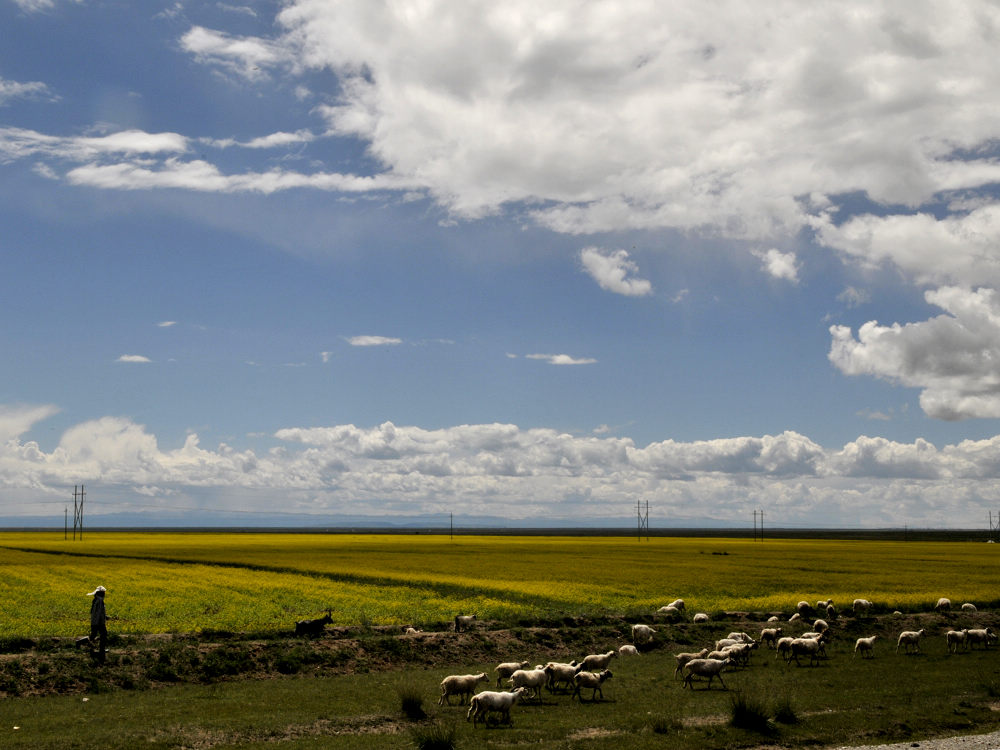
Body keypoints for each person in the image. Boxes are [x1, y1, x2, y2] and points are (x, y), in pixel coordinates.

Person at [87, 585, 107, 664]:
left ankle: (83, 644)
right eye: (104, 593)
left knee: (93, 635)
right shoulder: (99, 601)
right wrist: (100, 621)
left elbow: (95, 612)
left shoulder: (96, 600)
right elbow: (98, 612)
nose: (105, 594)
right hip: (98, 622)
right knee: (104, 634)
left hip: (95, 621)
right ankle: (101, 650)